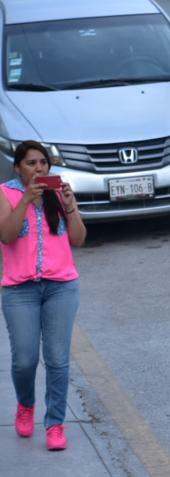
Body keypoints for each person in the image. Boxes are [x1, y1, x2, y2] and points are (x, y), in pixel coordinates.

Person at [0, 140, 86, 451]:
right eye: (31, 163)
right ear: (18, 167)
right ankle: (25, 405)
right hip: (18, 289)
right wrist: (25, 200)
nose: (39, 168)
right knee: (24, 359)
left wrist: (70, 204)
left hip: (61, 286)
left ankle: (55, 424)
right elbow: (7, 235)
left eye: (43, 163)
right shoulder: (5, 193)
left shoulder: (58, 193)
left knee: (57, 360)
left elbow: (78, 239)